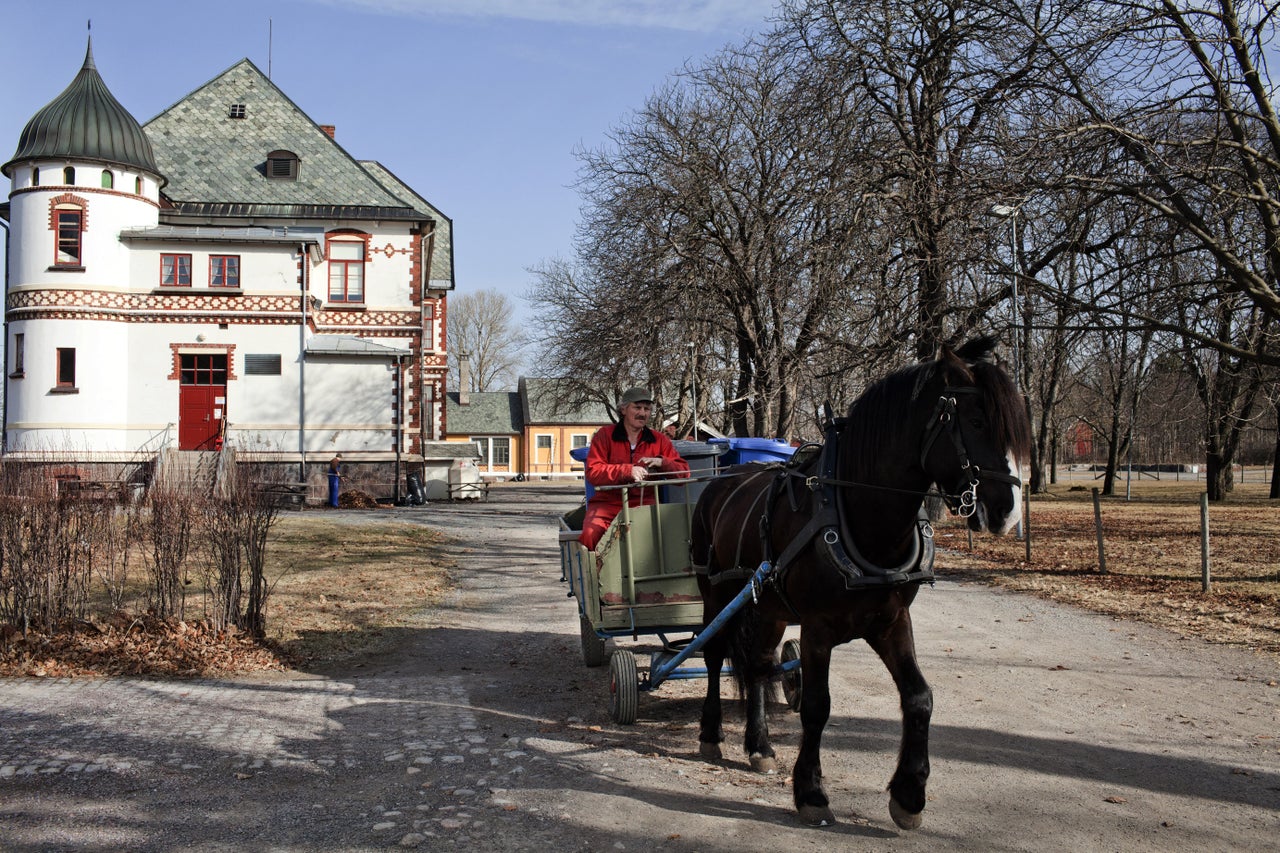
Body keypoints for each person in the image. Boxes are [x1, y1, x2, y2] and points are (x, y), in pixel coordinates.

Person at [580, 387, 690, 550]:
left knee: (670, 540)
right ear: (623, 409)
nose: (643, 413)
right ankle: (597, 574)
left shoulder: (659, 440)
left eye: (647, 409)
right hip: (608, 505)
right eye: (637, 407)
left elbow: (684, 474)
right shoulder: (604, 435)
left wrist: (663, 462)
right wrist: (627, 471)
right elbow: (593, 472)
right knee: (590, 534)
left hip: (645, 506)